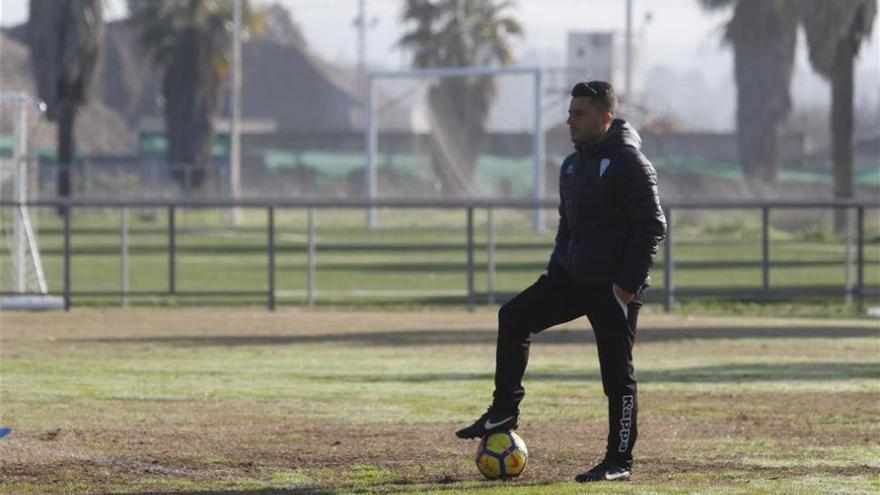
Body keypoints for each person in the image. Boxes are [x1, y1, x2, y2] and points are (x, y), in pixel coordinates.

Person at [455, 80, 666, 483]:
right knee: (514, 316)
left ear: (605, 118)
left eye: (579, 114)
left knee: (616, 376)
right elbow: (567, 227)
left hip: (612, 289)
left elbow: (653, 226)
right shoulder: (573, 164)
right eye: (569, 113)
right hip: (571, 278)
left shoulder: (629, 162)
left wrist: (626, 287)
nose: (569, 121)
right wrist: (555, 270)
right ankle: (504, 411)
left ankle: (618, 461)